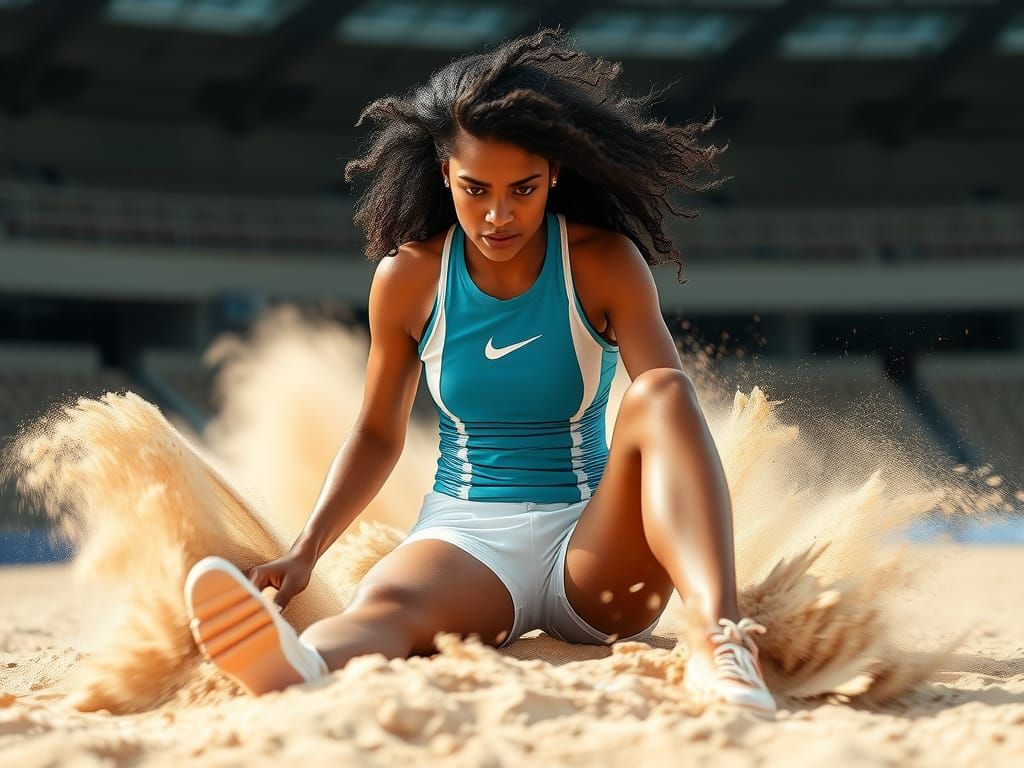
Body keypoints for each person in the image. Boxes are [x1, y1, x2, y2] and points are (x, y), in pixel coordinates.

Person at [185, 28, 776, 714]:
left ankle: (721, 638)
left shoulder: (603, 262)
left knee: (665, 391)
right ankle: (302, 661)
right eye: (476, 190)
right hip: (467, 539)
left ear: (555, 172)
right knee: (387, 603)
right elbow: (378, 433)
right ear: (444, 173)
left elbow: (666, 423)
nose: (499, 215)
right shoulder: (408, 280)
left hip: (593, 551)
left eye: (522, 189)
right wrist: (305, 550)